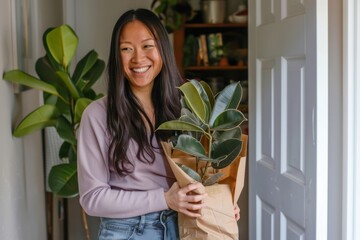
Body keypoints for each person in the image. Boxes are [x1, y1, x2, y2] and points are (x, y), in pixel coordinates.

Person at [77, 8, 240, 240]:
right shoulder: (97, 115)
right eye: (126, 49)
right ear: (116, 56)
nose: (137, 58)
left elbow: (204, 174)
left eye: (147, 46)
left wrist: (218, 202)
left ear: (163, 49)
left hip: (185, 225)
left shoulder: (189, 108)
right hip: (127, 231)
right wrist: (165, 199)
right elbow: (92, 199)